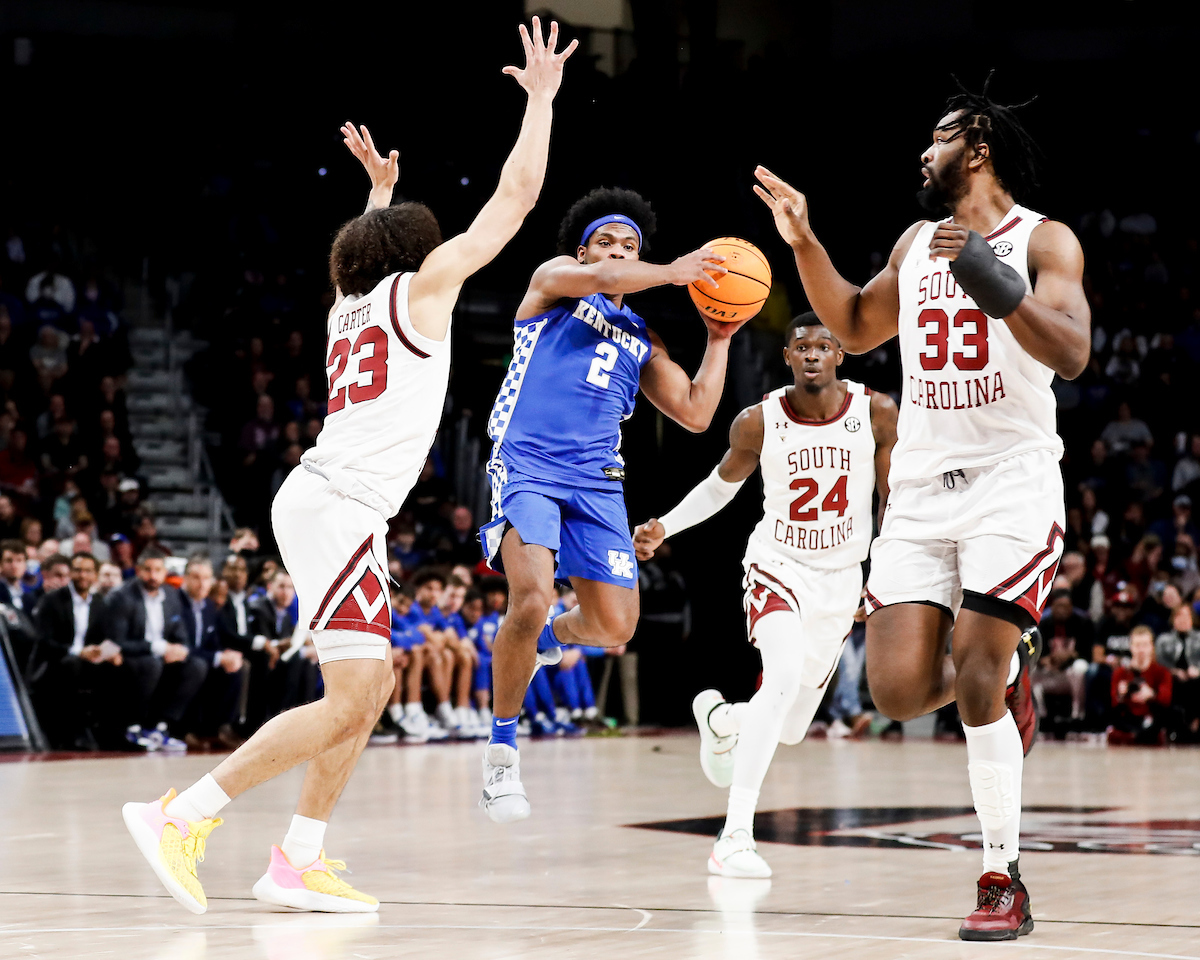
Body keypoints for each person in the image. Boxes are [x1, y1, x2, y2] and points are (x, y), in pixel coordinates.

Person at [122, 17, 577, 916]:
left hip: (333, 504)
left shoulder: (346, 307)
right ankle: (183, 813)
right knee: (359, 689)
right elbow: (517, 198)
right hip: (337, 503)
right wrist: (540, 102)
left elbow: (358, 255)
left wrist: (377, 195)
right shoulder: (422, 291)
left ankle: (298, 857)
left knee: (366, 690)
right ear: (414, 255)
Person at [753, 76, 1089, 940]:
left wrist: (993, 280)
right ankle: (1010, 663)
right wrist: (803, 241)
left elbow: (1073, 351)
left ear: (977, 147)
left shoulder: (1043, 239)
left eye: (938, 138)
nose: (922, 152)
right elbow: (856, 326)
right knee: (899, 692)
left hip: (1010, 480)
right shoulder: (913, 243)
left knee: (973, 675)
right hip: (920, 491)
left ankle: (1001, 879)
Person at [477, 182, 750, 821]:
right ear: (583, 252)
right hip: (528, 465)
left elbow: (695, 412)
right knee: (532, 595)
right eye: (607, 243)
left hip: (598, 481)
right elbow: (600, 278)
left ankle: (544, 636)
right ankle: (501, 756)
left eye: (630, 245)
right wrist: (675, 271)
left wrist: (719, 339)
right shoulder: (552, 285)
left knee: (614, 626)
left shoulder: (642, 337)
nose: (620, 253)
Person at [633, 317, 896, 877]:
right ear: (786, 357)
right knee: (779, 679)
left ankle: (723, 719)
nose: (812, 355)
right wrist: (666, 526)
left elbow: (891, 500)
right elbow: (720, 487)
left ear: (840, 355)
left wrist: (887, 576)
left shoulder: (877, 412)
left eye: (823, 346)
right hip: (778, 566)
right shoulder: (758, 420)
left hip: (840, 578)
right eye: (802, 347)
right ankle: (734, 837)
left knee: (792, 727)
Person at [1108, 625, 1172, 744]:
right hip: (1127, 719)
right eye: (1137, 645)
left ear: (1151, 647)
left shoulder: (1162, 672)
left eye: (1145, 645)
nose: (1141, 650)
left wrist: (1152, 695)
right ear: (1131, 647)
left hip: (1152, 719)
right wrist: (1120, 694)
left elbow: (1166, 699)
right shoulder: (1120, 673)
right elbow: (1113, 702)